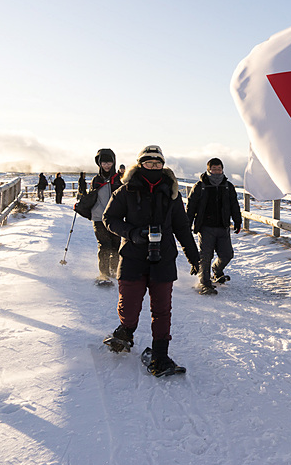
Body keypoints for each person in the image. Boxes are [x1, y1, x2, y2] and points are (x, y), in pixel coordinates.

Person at [102, 145, 200, 376]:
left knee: (162, 310)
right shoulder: (125, 191)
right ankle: (126, 330)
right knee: (130, 305)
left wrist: (194, 256)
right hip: (133, 257)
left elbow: (182, 227)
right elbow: (109, 218)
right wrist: (132, 233)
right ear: (140, 164)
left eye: (158, 163)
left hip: (163, 258)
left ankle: (161, 355)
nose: (154, 166)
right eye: (149, 162)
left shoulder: (172, 193)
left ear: (163, 166)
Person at [186, 157, 242, 295]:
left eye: (219, 168)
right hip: (205, 227)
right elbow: (191, 207)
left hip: (223, 226)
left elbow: (234, 205)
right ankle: (205, 283)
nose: (216, 171)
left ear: (222, 169)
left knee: (227, 254)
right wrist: (187, 224)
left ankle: (216, 271)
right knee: (205, 255)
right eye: (214, 169)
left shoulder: (227, 186)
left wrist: (237, 221)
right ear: (208, 169)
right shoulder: (200, 186)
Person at [90, 149, 122, 281]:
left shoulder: (119, 179)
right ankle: (104, 274)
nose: (107, 165)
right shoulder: (96, 180)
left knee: (116, 245)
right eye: (104, 162)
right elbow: (92, 197)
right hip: (98, 217)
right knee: (104, 245)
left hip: (116, 217)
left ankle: (115, 270)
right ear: (99, 163)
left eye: (109, 162)